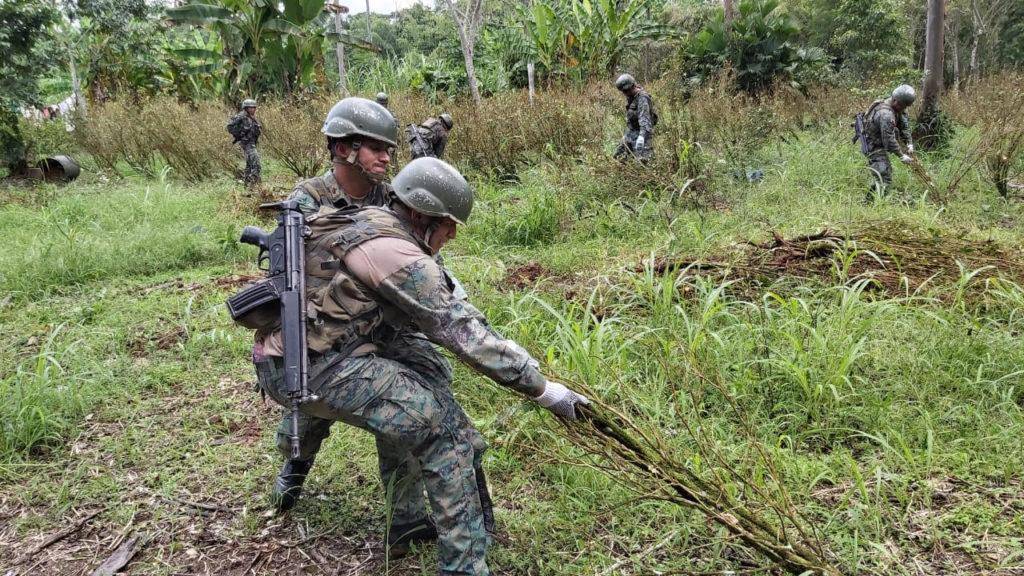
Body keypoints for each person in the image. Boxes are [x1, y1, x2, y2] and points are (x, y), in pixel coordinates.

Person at [251, 157, 589, 575]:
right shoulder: (394, 252)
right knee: (449, 435)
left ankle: (406, 524)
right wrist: (546, 391)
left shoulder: (367, 220)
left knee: (415, 399)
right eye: (448, 224)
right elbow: (464, 334)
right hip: (317, 367)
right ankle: (463, 568)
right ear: (421, 214)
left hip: (293, 358)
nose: (452, 235)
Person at [863, 84, 916, 196]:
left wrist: (909, 143)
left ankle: (870, 201)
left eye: (905, 106)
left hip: (881, 141)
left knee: (884, 175)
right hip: (873, 145)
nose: (903, 108)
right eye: (902, 106)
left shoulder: (898, 108)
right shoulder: (885, 115)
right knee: (884, 177)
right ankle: (876, 203)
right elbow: (889, 140)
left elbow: (904, 127)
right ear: (895, 100)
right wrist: (901, 156)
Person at [612, 73, 656, 164]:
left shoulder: (643, 98)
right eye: (623, 91)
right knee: (618, 156)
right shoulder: (632, 96)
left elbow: (645, 120)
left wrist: (642, 137)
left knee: (643, 163)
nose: (624, 93)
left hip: (642, 133)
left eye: (626, 91)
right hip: (631, 132)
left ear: (632, 86)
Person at [226, 98, 262, 186]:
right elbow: (229, 126)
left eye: (254, 107)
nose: (253, 109)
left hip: (252, 143)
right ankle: (255, 184)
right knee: (256, 164)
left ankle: (248, 185)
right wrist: (240, 135)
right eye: (250, 108)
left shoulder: (251, 118)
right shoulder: (241, 116)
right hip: (247, 144)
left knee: (249, 165)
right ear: (245, 108)